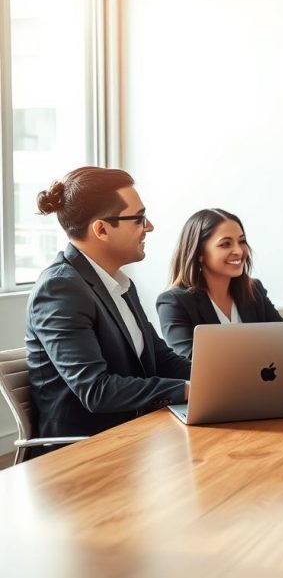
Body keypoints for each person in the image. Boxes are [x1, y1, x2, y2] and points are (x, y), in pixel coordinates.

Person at [25, 166, 191, 453]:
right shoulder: (59, 289)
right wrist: (187, 390)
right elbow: (96, 390)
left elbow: (161, 358)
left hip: (134, 438)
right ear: (101, 229)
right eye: (139, 219)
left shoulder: (119, 284)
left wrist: (217, 378)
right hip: (82, 454)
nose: (149, 227)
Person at [156, 209, 283, 359]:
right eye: (225, 244)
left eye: (241, 241)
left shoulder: (254, 290)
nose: (238, 251)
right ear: (200, 253)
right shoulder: (174, 302)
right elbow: (192, 364)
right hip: (217, 383)